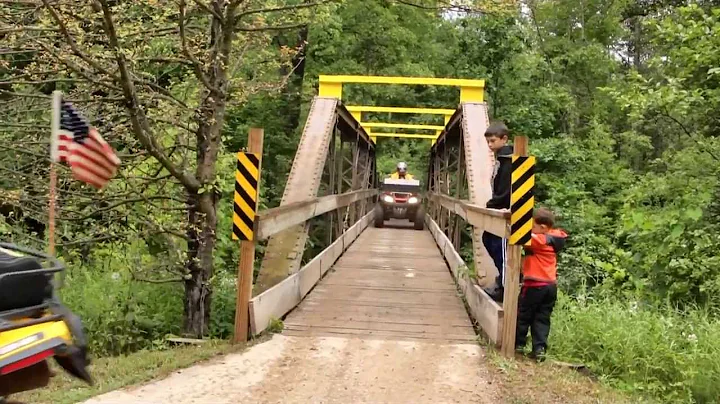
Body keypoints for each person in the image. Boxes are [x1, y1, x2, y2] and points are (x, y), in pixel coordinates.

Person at [515, 207, 567, 361]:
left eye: (533, 227)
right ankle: (539, 350)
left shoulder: (540, 240)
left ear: (543, 228)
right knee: (542, 318)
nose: (531, 229)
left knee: (523, 315)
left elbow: (520, 236)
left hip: (534, 285)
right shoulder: (555, 239)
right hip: (551, 286)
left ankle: (518, 345)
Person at [482, 121, 513, 302]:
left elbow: (505, 191)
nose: (490, 145)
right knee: (488, 239)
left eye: (493, 141)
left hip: (505, 212)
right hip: (499, 208)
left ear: (504, 139)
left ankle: (505, 286)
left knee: (501, 247)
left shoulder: (508, 160)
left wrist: (492, 204)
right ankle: (503, 279)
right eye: (488, 142)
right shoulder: (501, 159)